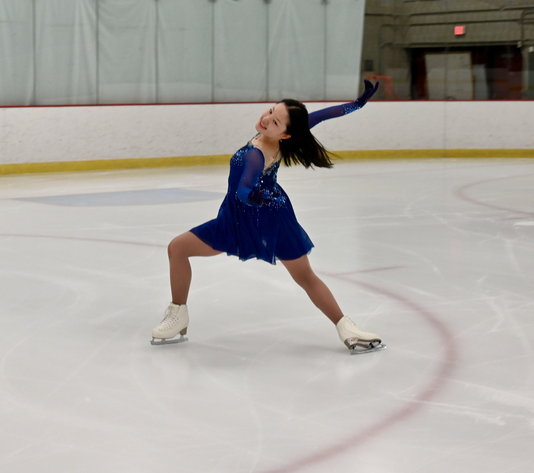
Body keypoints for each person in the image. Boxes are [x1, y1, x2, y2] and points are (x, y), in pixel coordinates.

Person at [151, 80, 386, 354]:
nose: (266, 119)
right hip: (252, 216)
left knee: (303, 276)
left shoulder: (256, 153)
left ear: (285, 135)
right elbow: (321, 116)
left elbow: (243, 190)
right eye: (270, 111)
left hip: (262, 219)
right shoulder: (281, 135)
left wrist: (252, 196)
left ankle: (347, 327)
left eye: (274, 122)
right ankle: (178, 313)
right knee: (178, 249)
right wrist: (356, 105)